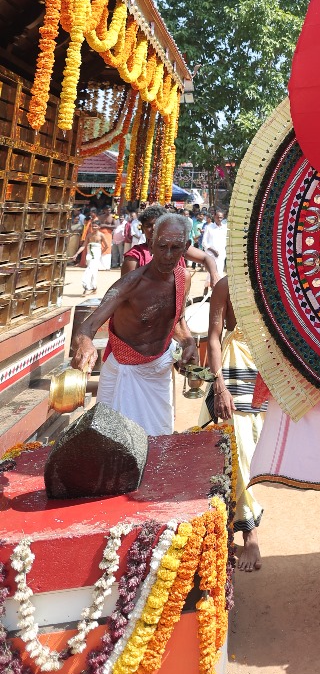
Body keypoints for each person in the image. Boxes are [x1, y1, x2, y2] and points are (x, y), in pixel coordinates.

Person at [71, 213, 199, 436]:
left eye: (175, 247)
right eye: (162, 246)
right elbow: (88, 326)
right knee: (112, 442)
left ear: (186, 247)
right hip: (124, 373)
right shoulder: (131, 283)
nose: (168, 255)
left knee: (160, 439)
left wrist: (189, 342)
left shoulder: (183, 278)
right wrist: (85, 344)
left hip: (158, 373)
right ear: (150, 244)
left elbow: (177, 321)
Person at [205, 277, 267, 571]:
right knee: (238, 451)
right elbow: (214, 337)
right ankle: (249, 533)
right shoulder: (226, 285)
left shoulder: (274, 278)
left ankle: (232, 523)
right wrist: (220, 386)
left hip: (267, 372)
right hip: (233, 368)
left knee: (254, 453)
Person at [122, 203, 220, 287]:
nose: (153, 229)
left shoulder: (177, 248)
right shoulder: (135, 255)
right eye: (148, 226)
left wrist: (214, 275)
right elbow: (126, 291)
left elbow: (206, 258)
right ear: (142, 229)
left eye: (157, 224)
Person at [202, 208, 228, 282]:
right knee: (211, 272)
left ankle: (215, 290)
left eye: (221, 217)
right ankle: (207, 287)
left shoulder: (225, 228)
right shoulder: (209, 227)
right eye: (218, 217)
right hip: (211, 254)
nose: (219, 219)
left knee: (219, 272)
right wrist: (213, 250)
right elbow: (204, 242)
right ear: (214, 217)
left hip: (221, 254)